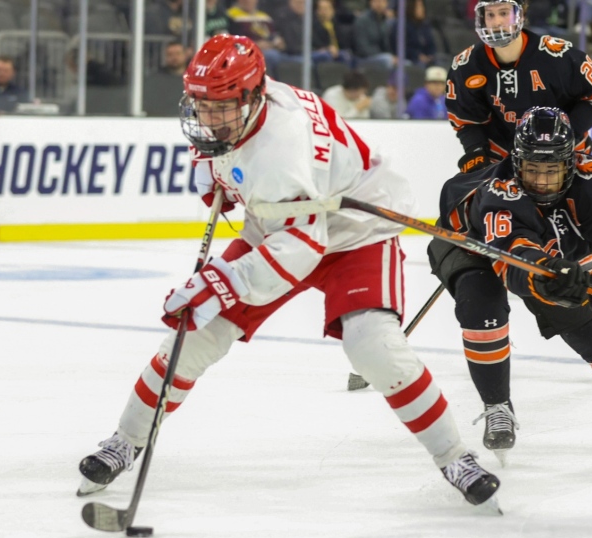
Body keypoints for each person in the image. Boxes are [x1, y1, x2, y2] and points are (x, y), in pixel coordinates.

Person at [76, 34, 501, 511]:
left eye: (219, 108)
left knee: (374, 347)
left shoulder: (282, 143)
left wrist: (221, 281)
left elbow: (303, 245)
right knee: (192, 336)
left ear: (252, 97)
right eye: (201, 106)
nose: (208, 118)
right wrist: (213, 163)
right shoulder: (246, 101)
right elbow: (243, 164)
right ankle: (126, 440)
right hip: (286, 219)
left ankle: (454, 456)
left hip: (355, 230)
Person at [428, 106, 592, 464]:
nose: (541, 181)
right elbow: (514, 253)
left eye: (551, 170)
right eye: (533, 170)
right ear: (517, 162)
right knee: (481, 305)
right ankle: (497, 406)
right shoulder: (500, 190)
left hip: (536, 252)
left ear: (570, 163)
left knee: (591, 331)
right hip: (467, 240)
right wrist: (545, 276)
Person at [446, 0, 592, 174]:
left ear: (522, 14)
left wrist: (562, 136)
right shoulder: (466, 65)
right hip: (503, 161)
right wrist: (476, 152)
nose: (496, 22)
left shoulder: (559, 56)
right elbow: (467, 120)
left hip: (564, 159)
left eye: (504, 13)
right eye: (490, 14)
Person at [354, 0, 397, 70]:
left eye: (383, 1)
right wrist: (384, 55)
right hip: (364, 58)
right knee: (387, 60)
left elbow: (386, 46)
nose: (380, 4)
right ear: (371, 2)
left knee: (405, 63)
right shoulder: (362, 20)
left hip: (382, 56)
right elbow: (362, 48)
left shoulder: (384, 22)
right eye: (377, 1)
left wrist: (393, 56)